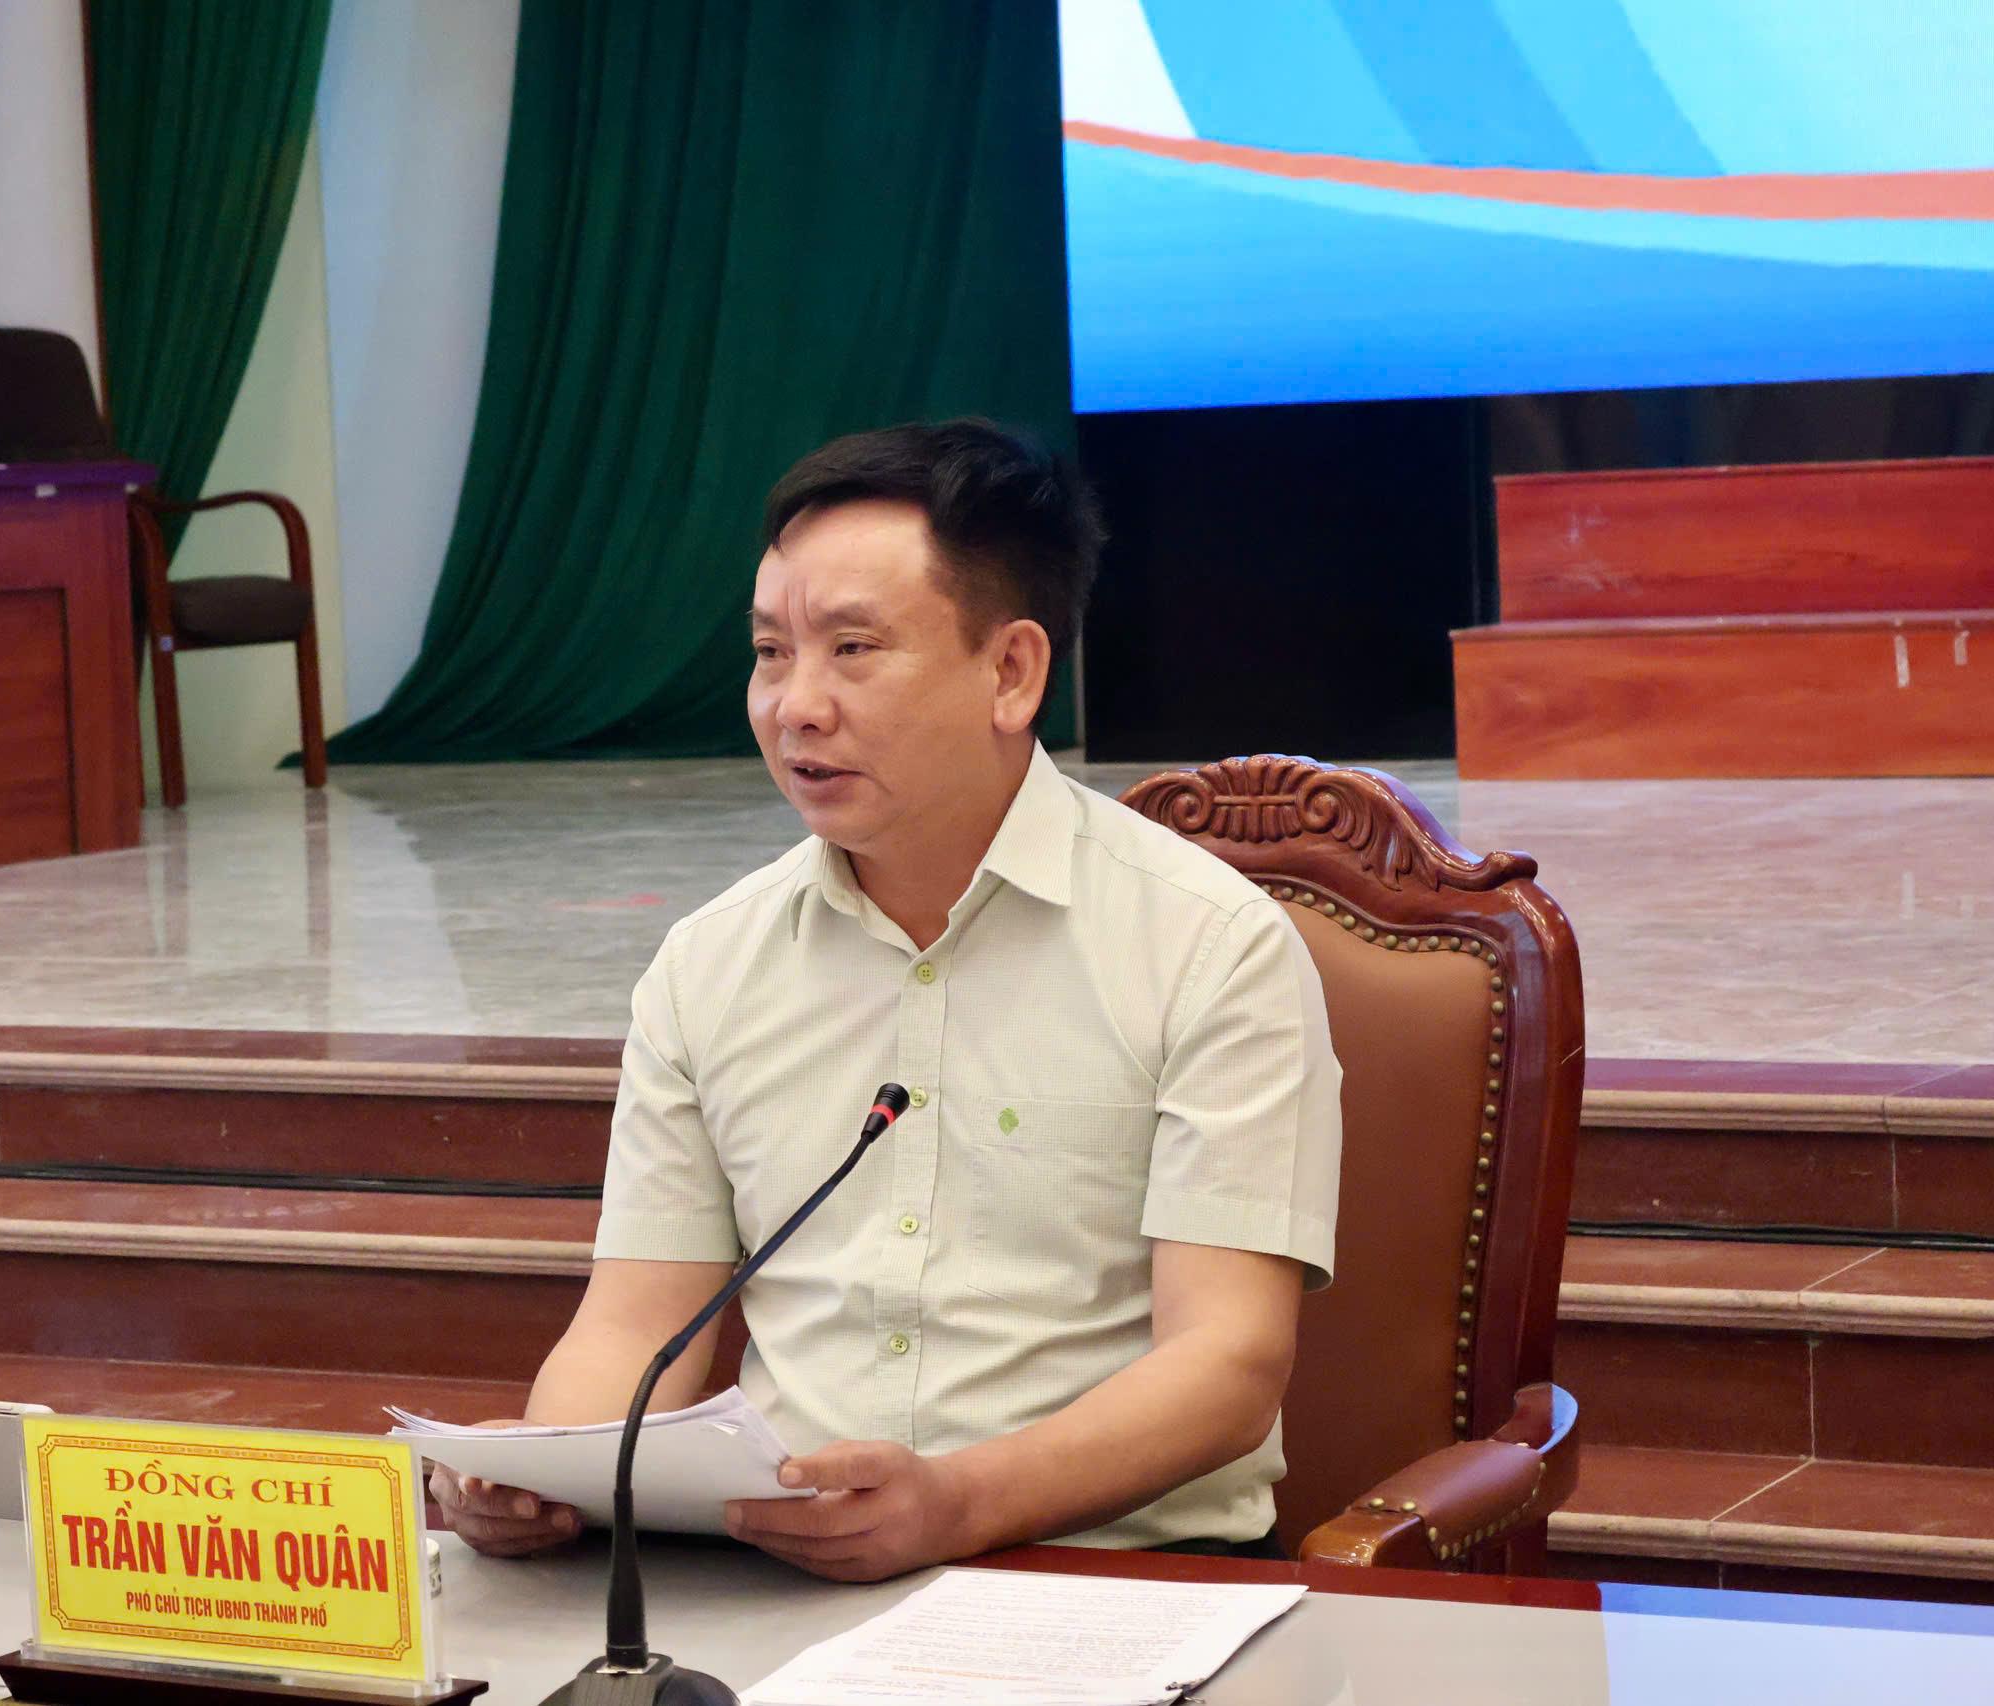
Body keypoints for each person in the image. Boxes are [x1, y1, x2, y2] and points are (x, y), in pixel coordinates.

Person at [428, 418, 1341, 1581]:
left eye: (852, 648)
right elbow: (632, 1325)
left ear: (1010, 672)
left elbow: (1227, 1365)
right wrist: (546, 1473)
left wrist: (956, 1504)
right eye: (770, 652)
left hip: (1113, 1578)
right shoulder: (709, 964)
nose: (795, 705)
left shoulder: (1208, 945)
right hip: (782, 1574)